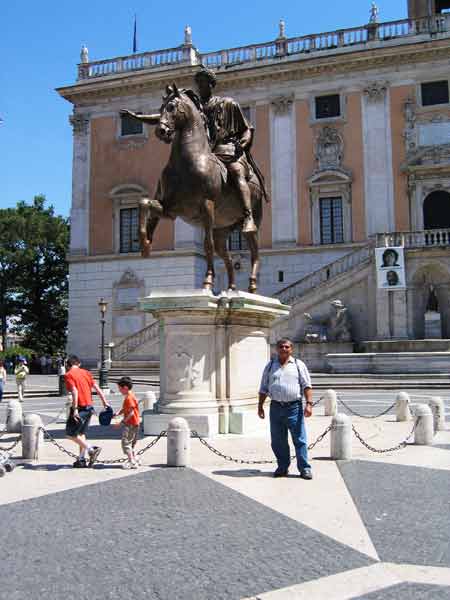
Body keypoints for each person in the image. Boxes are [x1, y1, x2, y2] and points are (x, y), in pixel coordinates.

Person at [193, 66, 268, 234]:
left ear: (211, 85)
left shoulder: (228, 104)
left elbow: (247, 128)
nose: (200, 87)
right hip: (206, 153)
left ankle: (248, 216)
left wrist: (244, 142)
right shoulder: (195, 109)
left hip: (228, 150)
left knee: (235, 172)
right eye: (198, 83)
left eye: (203, 83)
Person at [258, 338, 314, 479]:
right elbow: (263, 388)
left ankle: (304, 468)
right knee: (278, 440)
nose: (284, 349)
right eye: (281, 347)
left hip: (294, 407)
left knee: (299, 439)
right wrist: (260, 406)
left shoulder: (298, 365)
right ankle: (283, 467)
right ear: (277, 349)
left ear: (291, 349)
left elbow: (306, 385)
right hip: (276, 407)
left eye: (287, 347)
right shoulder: (270, 366)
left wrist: (309, 404)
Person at [64, 355, 109, 468]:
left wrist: (74, 410)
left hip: (80, 407)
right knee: (81, 434)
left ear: (68, 365)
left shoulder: (69, 374)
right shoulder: (86, 373)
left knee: (70, 434)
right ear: (78, 364)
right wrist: (105, 402)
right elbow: (97, 388)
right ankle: (81, 459)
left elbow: (74, 391)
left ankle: (91, 449)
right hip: (89, 407)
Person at [113, 376, 141, 469]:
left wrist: (122, 422)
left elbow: (131, 413)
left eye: (120, 389)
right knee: (131, 442)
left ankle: (131, 461)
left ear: (125, 387)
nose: (119, 391)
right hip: (135, 423)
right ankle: (134, 458)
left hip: (130, 424)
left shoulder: (129, 398)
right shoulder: (131, 396)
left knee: (126, 443)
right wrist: (118, 413)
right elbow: (127, 409)